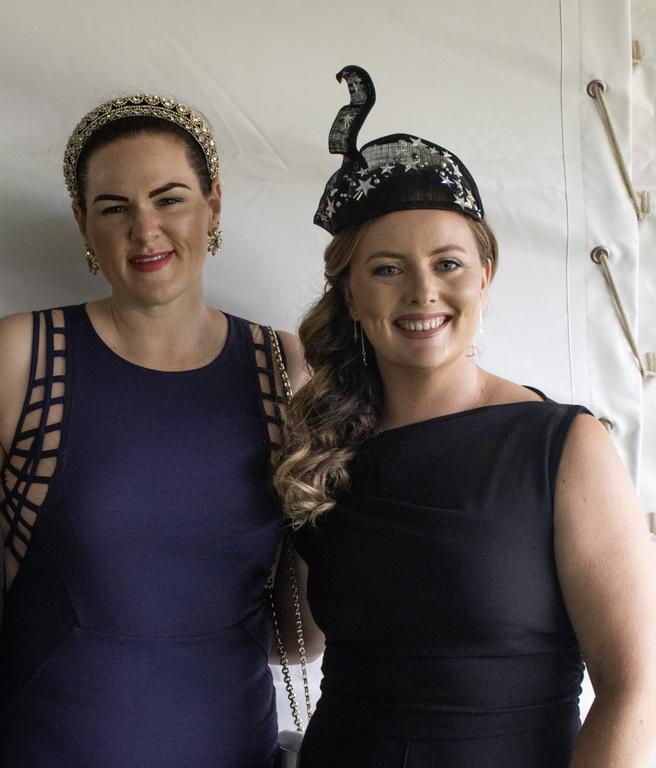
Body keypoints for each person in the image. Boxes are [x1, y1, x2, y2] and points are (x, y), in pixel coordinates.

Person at [276, 66, 656, 768]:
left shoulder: (564, 447)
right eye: (387, 269)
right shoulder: (326, 450)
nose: (423, 291)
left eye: (447, 263)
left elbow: (635, 691)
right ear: (351, 293)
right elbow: (295, 643)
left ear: (484, 275)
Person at [0, 94, 306, 768]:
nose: (145, 231)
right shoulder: (21, 354)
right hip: (49, 747)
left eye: (170, 199)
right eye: (114, 208)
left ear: (213, 203)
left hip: (234, 747)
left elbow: (302, 635)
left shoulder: (284, 367)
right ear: (82, 220)